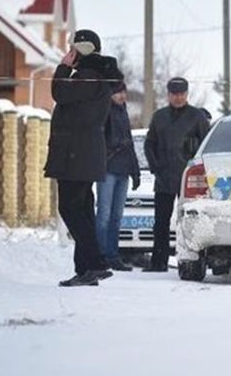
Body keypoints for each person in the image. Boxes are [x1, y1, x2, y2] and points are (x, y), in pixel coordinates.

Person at [46, 29, 118, 287]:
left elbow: (60, 93)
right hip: (83, 154)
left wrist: (63, 67)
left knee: (70, 208)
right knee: (83, 210)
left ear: (82, 50)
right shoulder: (94, 76)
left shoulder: (88, 77)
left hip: (76, 155)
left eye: (72, 49)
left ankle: (96, 263)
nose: (69, 53)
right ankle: (86, 269)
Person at [144, 77, 211, 272]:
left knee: (192, 220)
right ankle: (158, 262)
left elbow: (206, 146)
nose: (178, 98)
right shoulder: (159, 116)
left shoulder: (197, 117)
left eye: (182, 94)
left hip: (190, 179)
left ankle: (195, 260)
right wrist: (155, 166)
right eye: (175, 94)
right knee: (161, 222)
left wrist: (197, 169)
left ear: (187, 94)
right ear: (168, 95)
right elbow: (149, 144)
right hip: (164, 176)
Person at [95, 83, 141, 272]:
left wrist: (135, 171)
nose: (121, 96)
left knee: (117, 216)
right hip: (107, 170)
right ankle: (99, 256)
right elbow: (98, 139)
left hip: (124, 171)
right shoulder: (104, 111)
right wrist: (114, 145)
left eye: (123, 92)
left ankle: (113, 255)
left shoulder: (123, 112)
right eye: (117, 92)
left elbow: (129, 144)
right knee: (104, 215)